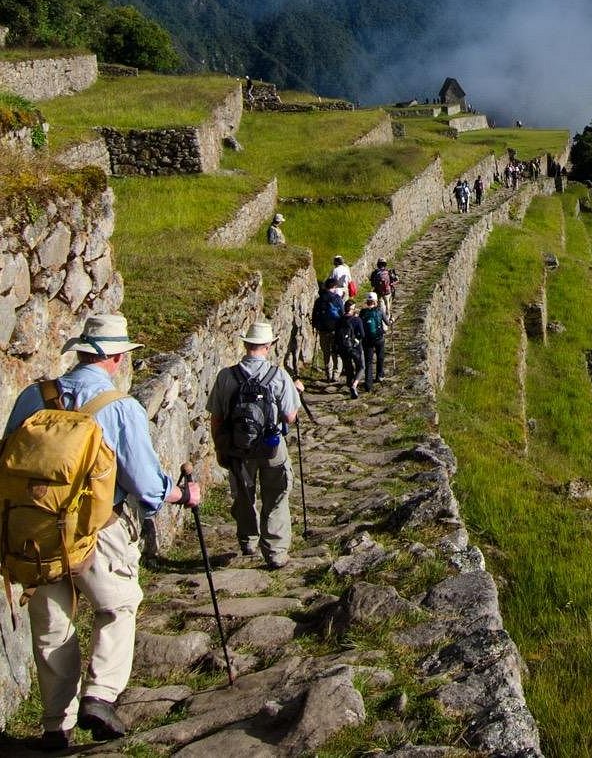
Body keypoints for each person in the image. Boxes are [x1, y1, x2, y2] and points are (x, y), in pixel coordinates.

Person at [3, 313, 201, 750]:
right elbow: (147, 486)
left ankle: (57, 724)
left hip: (37, 530)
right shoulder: (119, 407)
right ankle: (101, 694)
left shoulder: (33, 397)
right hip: (98, 528)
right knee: (118, 606)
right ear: (113, 357)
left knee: (52, 623)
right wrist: (181, 495)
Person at [206, 321, 301, 571]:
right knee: (277, 494)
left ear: (246, 344)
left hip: (238, 447)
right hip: (271, 445)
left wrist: (220, 447)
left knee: (244, 494)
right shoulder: (278, 375)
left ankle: (248, 540)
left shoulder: (227, 376)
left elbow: (216, 417)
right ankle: (276, 551)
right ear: (268, 346)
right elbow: (290, 416)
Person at [311, 277, 344, 381]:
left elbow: (314, 315)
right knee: (337, 351)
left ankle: (328, 374)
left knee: (326, 352)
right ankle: (336, 374)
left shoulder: (319, 300)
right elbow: (342, 313)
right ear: (334, 287)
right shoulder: (337, 298)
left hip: (323, 330)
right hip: (336, 329)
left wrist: (315, 326)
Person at [335, 300, 366, 398]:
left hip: (343, 347)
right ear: (352, 309)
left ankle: (350, 385)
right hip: (355, 347)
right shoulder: (357, 320)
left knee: (348, 368)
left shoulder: (339, 320)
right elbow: (362, 334)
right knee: (361, 367)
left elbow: (336, 334)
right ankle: (354, 384)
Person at [360, 292, 389, 391]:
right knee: (380, 357)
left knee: (368, 362)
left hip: (367, 340)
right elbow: (387, 323)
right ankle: (379, 376)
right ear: (376, 301)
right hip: (379, 339)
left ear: (367, 301)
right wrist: (392, 320)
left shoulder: (362, 312)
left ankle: (368, 385)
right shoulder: (379, 311)